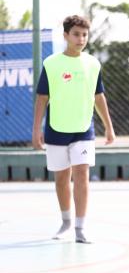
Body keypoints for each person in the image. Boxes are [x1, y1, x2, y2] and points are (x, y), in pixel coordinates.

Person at [32, 15, 115, 244]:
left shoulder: (93, 64)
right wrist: (36, 130)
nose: (81, 39)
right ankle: (66, 221)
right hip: (56, 129)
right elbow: (42, 98)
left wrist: (109, 126)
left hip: (83, 129)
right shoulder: (51, 64)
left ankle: (80, 227)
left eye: (84, 34)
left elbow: (99, 96)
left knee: (81, 173)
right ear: (66, 35)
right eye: (76, 34)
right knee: (61, 178)